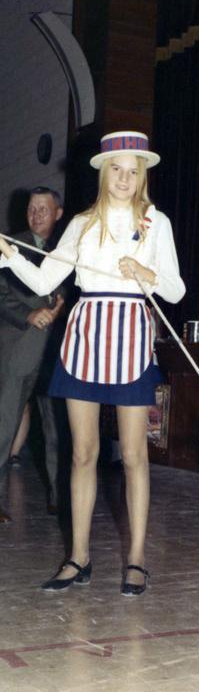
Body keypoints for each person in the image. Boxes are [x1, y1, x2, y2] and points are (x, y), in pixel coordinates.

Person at [0, 131, 186, 594]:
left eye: (133, 170)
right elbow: (45, 274)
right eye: (117, 169)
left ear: (142, 174)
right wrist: (8, 257)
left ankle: (137, 560)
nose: (125, 178)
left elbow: (177, 291)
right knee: (82, 453)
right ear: (104, 172)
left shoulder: (155, 221)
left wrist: (148, 274)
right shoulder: (82, 223)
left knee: (133, 457)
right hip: (86, 337)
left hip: (131, 338)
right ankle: (78, 558)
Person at [0, 186, 65, 523]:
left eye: (44, 208)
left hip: (54, 354)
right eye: (31, 208)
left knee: (56, 426)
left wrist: (59, 308)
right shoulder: (7, 245)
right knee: (4, 423)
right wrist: (27, 315)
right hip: (17, 349)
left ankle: (59, 497)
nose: (36, 214)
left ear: (58, 213)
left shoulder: (66, 250)